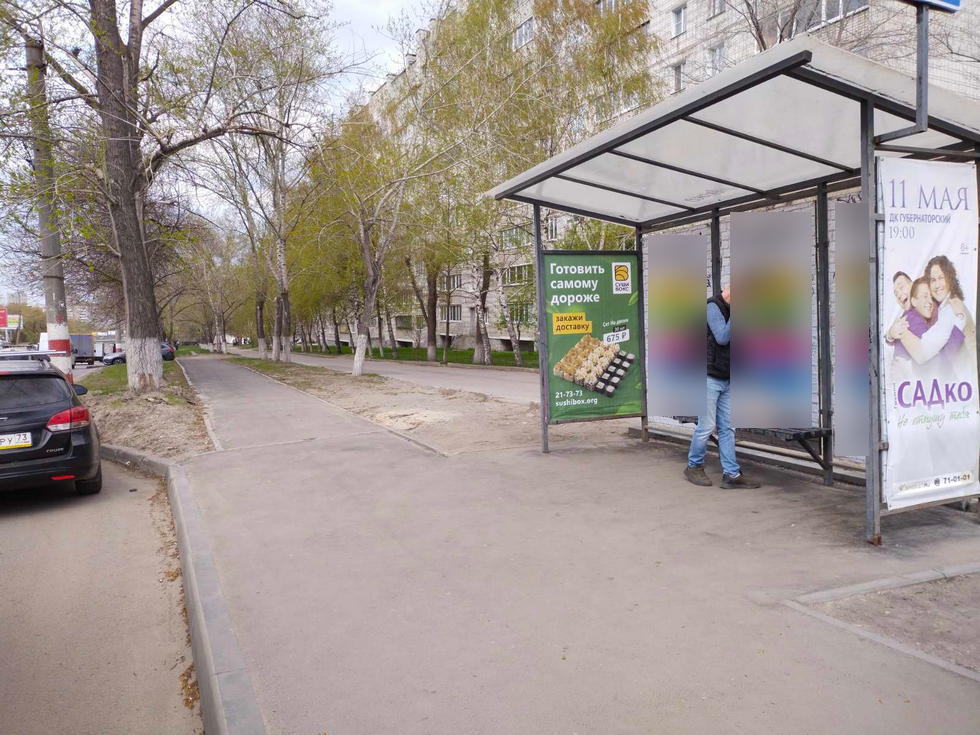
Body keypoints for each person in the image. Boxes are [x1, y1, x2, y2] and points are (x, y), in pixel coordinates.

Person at [684, 286, 761, 489]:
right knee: (706, 426)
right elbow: (723, 337)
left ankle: (731, 475)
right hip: (709, 377)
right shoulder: (712, 306)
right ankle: (693, 466)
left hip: (728, 377)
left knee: (728, 427)